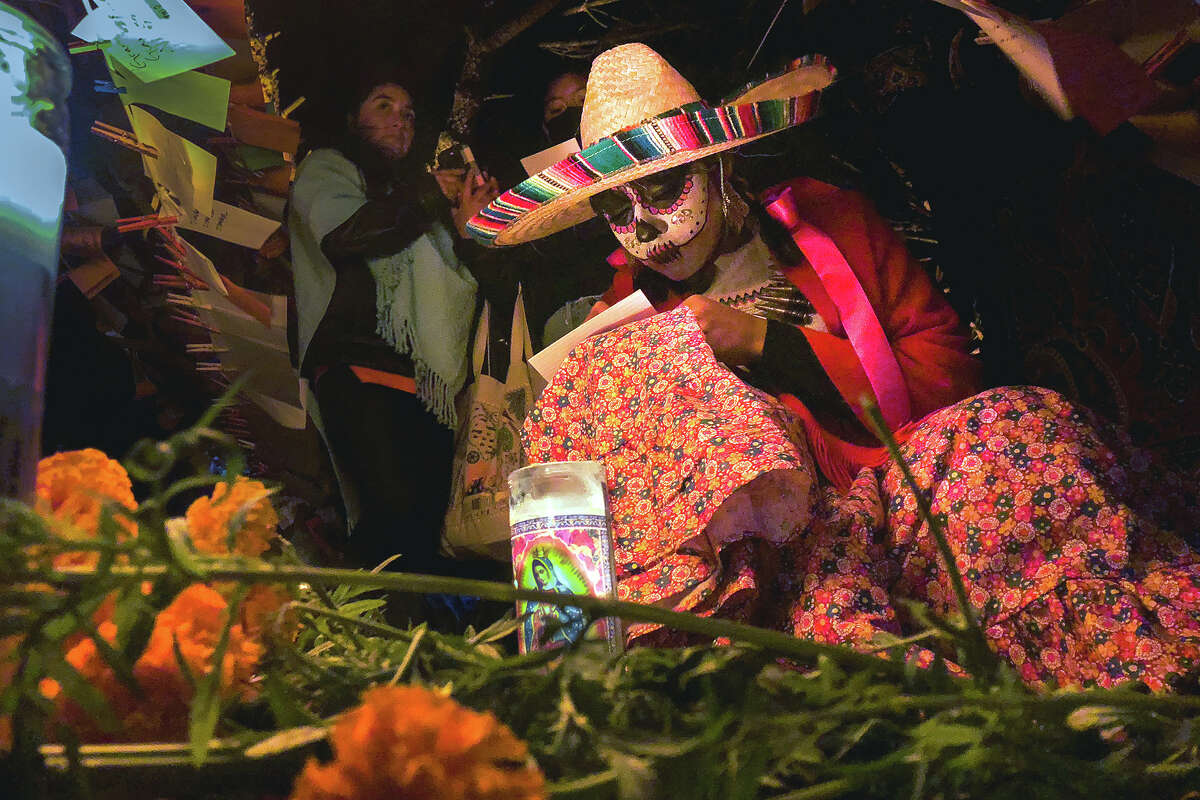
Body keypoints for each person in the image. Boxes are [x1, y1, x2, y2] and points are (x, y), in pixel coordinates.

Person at [468, 44, 1200, 690]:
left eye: (661, 190)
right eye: (616, 210)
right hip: (784, 546)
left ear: (719, 167)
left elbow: (949, 378)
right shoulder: (619, 317)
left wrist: (758, 341)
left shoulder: (830, 222)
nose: (646, 230)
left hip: (911, 478)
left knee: (1012, 431)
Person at [288, 69, 499, 577]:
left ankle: (411, 640)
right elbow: (346, 235)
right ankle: (381, 638)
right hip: (360, 370)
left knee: (423, 530)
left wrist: (472, 228)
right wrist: (427, 195)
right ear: (351, 119)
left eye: (407, 113)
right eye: (382, 105)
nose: (400, 120)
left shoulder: (412, 199)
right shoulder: (328, 168)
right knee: (393, 526)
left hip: (425, 387)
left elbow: (463, 287)